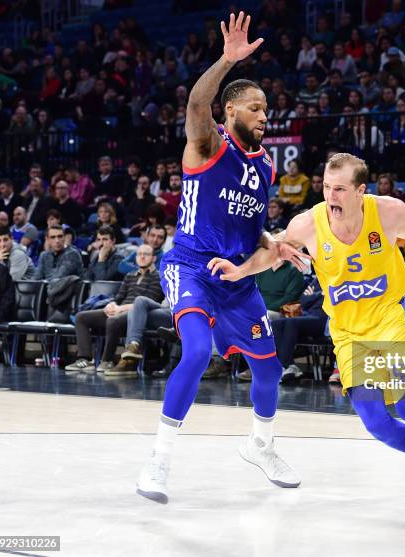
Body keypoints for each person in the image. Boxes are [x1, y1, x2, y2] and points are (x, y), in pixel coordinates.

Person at [211, 152, 405, 502]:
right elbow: (277, 251)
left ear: (360, 191)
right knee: (377, 423)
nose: (330, 195)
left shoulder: (387, 211)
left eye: (339, 189)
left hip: (388, 318)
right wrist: (242, 270)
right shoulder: (307, 224)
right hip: (349, 332)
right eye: (326, 187)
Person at [136, 12, 307, 504]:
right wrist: (226, 61)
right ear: (230, 109)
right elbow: (195, 102)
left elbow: (253, 234)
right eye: (255, 107)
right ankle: (159, 462)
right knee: (195, 351)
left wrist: (277, 246)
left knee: (270, 371)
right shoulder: (208, 143)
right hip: (191, 266)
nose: (263, 115)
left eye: (266, 109)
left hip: (237, 279)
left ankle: (261, 445)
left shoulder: (265, 167)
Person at [65, 244, 164, 375]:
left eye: (146, 254)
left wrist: (119, 309)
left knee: (112, 320)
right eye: (139, 254)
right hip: (119, 310)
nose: (142, 257)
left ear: (154, 258)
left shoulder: (158, 277)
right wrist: (111, 305)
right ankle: (84, 359)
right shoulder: (130, 275)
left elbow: (148, 302)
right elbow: (119, 297)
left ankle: (107, 361)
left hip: (137, 315)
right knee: (81, 317)